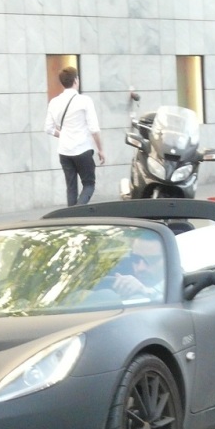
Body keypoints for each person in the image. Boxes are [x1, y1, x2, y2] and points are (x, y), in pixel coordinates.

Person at [45, 66, 105, 206]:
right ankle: (78, 214)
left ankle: (70, 219)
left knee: (71, 188)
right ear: (76, 80)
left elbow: (48, 128)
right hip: (82, 149)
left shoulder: (54, 102)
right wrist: (100, 150)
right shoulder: (84, 101)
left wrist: (63, 134)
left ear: (63, 82)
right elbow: (94, 129)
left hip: (64, 152)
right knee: (89, 184)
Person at [105, 231, 166, 301]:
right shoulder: (123, 284)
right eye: (135, 258)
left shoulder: (179, 288)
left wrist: (147, 292)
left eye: (151, 260)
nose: (141, 268)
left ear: (169, 259)